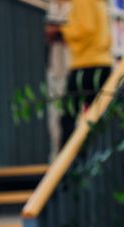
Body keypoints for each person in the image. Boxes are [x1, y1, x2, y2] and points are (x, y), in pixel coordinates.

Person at [46, 0, 113, 147]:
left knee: (68, 117)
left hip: (87, 64)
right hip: (102, 63)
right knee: (96, 116)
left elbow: (85, 28)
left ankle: (69, 163)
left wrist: (60, 31)